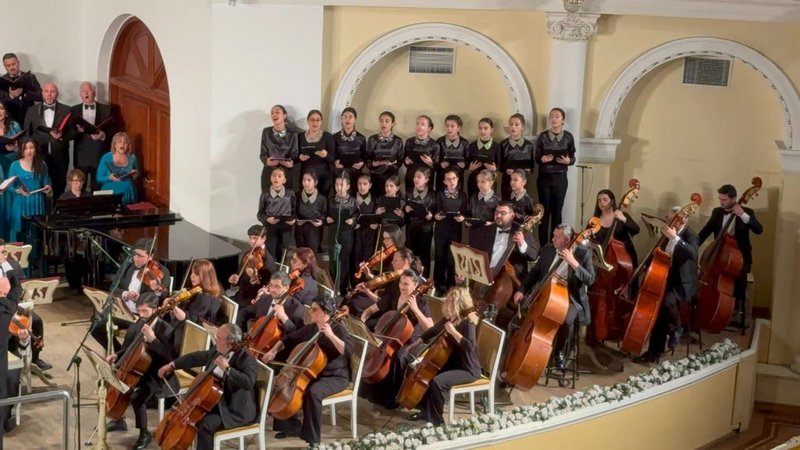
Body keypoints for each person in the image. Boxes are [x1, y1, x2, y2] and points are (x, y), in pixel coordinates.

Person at [261, 295, 352, 447]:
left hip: (335, 376)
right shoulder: (312, 328)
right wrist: (273, 350)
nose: (310, 312)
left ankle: (313, 440)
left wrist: (330, 335)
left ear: (325, 313)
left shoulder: (338, 329)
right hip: (314, 373)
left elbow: (348, 351)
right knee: (283, 385)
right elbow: (288, 339)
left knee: (313, 392)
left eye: (314, 310)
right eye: (311, 309)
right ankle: (290, 427)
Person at [157, 323, 258, 450]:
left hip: (232, 410)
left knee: (205, 425)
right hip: (214, 403)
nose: (215, 340)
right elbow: (196, 357)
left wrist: (228, 369)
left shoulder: (247, 359)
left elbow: (248, 382)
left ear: (231, 342)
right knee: (194, 419)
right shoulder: (218, 350)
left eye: (219, 338)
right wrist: (173, 365)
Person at [512, 223, 595, 369]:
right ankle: (528, 347)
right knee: (529, 309)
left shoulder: (583, 253)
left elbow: (590, 279)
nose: (553, 239)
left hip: (570, 295)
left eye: (557, 237)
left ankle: (559, 352)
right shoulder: (548, 249)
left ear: (567, 240)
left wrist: (573, 262)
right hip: (545, 290)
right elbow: (535, 272)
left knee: (567, 320)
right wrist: (522, 290)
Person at [104, 293, 177, 447]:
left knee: (137, 396)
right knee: (114, 381)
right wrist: (117, 355)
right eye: (139, 311)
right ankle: (118, 419)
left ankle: (144, 434)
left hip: (158, 373)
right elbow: (131, 347)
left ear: (155, 309)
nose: (141, 315)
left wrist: (153, 340)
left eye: (145, 311)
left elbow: (170, 357)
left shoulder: (166, 329)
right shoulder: (139, 323)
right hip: (138, 368)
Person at [406, 286, 480, 425]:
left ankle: (437, 420)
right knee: (425, 374)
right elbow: (433, 331)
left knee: (437, 382)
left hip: (467, 369)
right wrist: (414, 345)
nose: (447, 303)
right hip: (452, 363)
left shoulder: (468, 322)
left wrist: (453, 332)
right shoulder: (450, 318)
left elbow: (470, 346)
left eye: (450, 301)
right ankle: (425, 411)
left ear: (459, 303)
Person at [360, 269, 433, 409]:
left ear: (415, 285)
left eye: (406, 284)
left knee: (399, 356)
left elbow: (430, 327)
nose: (402, 287)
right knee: (372, 350)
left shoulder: (421, 301)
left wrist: (415, 309)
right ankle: (373, 393)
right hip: (392, 337)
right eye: (401, 282)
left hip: (413, 341)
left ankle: (395, 398)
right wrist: (363, 319)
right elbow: (371, 310)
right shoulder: (394, 296)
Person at [635, 206, 698, 363]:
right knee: (658, 310)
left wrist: (676, 239)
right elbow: (657, 253)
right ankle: (654, 351)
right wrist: (644, 267)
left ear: (680, 220)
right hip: (664, 277)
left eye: (670, 218)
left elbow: (693, 253)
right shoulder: (666, 232)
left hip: (681, 282)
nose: (667, 220)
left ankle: (676, 327)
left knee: (666, 302)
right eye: (667, 217)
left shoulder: (690, 234)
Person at [697, 184, 763, 327]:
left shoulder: (747, 212)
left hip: (740, 258)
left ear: (733, 199)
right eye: (720, 199)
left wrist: (742, 215)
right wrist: (692, 245)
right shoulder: (717, 212)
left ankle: (732, 311)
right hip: (719, 255)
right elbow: (705, 231)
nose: (721, 202)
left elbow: (759, 230)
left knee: (738, 283)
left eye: (724, 199)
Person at [93, 238, 171, 352]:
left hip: (142, 317)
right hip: (124, 312)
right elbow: (113, 287)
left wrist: (156, 291)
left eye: (140, 256)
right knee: (96, 327)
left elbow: (164, 299)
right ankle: (117, 353)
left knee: (131, 335)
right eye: (135, 254)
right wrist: (125, 293)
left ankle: (122, 357)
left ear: (150, 256)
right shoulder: (127, 266)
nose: (135, 258)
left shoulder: (162, 271)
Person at [0, 239, 50, 370]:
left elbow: (20, 288)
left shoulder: (13, 265)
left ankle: (35, 357)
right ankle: (11, 351)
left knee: (36, 321)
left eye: (3, 252)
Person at [237, 271, 305, 360]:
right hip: (254, 343)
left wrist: (284, 318)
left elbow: (297, 335)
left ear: (286, 288)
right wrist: (239, 334)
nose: (272, 290)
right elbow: (243, 313)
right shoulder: (265, 299)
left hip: (275, 354)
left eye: (277, 286)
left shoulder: (296, 307)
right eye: (271, 285)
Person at [349, 250, 425, 328]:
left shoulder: (412, 283)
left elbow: (383, 301)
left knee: (356, 304)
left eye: (395, 260)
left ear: (405, 262)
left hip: (393, 319)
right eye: (401, 283)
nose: (392, 263)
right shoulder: (397, 279)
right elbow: (384, 301)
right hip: (387, 313)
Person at [23, 82, 71, 198]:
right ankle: (42, 208)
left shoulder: (67, 110)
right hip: (39, 155)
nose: (49, 95)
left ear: (57, 94)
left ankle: (56, 208)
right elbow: (27, 134)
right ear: (42, 93)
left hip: (60, 156)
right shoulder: (32, 110)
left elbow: (73, 132)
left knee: (60, 186)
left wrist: (62, 136)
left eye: (52, 92)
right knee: (40, 187)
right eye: (46, 91)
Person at [535, 108, 576, 246]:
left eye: (557, 116)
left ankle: (555, 245)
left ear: (562, 120)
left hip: (560, 179)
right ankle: (542, 245)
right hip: (544, 179)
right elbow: (536, 157)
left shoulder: (568, 137)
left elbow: (573, 157)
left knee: (557, 212)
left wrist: (568, 161)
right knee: (543, 213)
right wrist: (542, 159)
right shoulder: (542, 136)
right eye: (551, 116)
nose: (553, 119)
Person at [469, 202, 539, 280]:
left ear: (512, 216)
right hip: (486, 275)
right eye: (496, 212)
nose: (498, 215)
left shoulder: (522, 231)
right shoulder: (485, 230)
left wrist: (522, 243)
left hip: (511, 279)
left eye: (503, 213)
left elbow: (533, 256)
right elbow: (474, 254)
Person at [166, 259, 222, 351]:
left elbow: (189, 319)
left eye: (196, 274)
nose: (192, 276)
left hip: (192, 335)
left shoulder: (204, 298)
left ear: (205, 277)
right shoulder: (212, 289)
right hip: (189, 329)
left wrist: (174, 308)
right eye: (192, 273)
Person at [70, 82, 115, 190]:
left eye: (89, 90)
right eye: (83, 91)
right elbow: (70, 132)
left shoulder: (106, 109)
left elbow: (113, 131)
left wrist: (103, 135)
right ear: (80, 94)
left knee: (98, 187)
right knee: (79, 188)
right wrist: (78, 131)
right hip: (81, 156)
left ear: (94, 93)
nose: (86, 93)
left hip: (99, 155)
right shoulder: (74, 110)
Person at [6, 139, 51, 242]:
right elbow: (9, 187)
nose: (29, 151)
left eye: (31, 148)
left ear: (35, 149)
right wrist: (19, 191)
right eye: (26, 148)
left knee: (37, 237)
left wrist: (47, 189)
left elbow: (46, 183)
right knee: (21, 236)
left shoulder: (42, 164)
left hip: (37, 204)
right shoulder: (15, 165)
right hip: (21, 204)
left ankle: (36, 252)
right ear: (22, 150)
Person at [433, 167, 466, 293]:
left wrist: (462, 217)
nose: (451, 181)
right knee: (440, 257)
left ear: (457, 179)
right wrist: (436, 216)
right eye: (448, 179)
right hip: (441, 229)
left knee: (452, 258)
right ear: (444, 181)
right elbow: (436, 211)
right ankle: (438, 284)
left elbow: (464, 212)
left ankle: (451, 284)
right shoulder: (440, 194)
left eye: (453, 178)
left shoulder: (463, 195)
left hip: (455, 229)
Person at [227, 224, 278, 309]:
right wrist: (236, 277)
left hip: (252, 301)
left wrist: (252, 279)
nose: (251, 241)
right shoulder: (248, 254)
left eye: (255, 238)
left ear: (264, 238)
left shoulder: (268, 261)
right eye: (250, 238)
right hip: (240, 296)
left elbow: (265, 286)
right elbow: (240, 274)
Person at [257, 166, 296, 262]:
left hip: (286, 227)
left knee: (283, 253)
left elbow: (295, 211)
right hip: (270, 227)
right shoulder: (265, 194)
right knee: (270, 253)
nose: (276, 178)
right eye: (273, 175)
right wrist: (267, 219)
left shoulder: (290, 194)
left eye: (279, 176)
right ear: (270, 178)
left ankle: (282, 270)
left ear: (284, 180)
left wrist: (293, 219)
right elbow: (260, 214)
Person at [326, 175, 356, 295]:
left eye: (342, 185)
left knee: (345, 260)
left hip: (346, 233)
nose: (339, 187)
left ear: (347, 186)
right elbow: (324, 214)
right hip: (333, 232)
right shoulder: (330, 201)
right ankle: (332, 287)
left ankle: (343, 288)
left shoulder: (353, 201)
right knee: (333, 260)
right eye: (337, 185)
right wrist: (326, 219)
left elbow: (357, 215)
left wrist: (353, 220)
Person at [260, 104, 299, 192]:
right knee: (267, 198)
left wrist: (291, 163)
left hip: (286, 173)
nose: (274, 115)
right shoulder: (266, 132)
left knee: (287, 199)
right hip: (269, 173)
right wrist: (267, 161)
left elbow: (295, 154)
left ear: (284, 115)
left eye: (277, 112)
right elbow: (263, 153)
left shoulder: (293, 134)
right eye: (272, 113)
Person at [404, 167, 435, 278]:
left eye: (419, 177)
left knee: (424, 256)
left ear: (426, 179)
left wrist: (431, 216)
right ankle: (409, 278)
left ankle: (424, 280)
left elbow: (436, 212)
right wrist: (406, 210)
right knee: (410, 255)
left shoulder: (432, 194)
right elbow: (404, 212)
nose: (415, 179)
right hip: (411, 228)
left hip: (425, 230)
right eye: (414, 177)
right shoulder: (409, 192)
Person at [366, 111, 404, 198]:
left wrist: (391, 164)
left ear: (392, 124)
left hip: (391, 178)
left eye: (387, 121)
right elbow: (367, 159)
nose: (383, 123)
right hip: (375, 177)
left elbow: (400, 161)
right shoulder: (372, 139)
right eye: (381, 121)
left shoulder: (398, 141)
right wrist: (373, 164)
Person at [297, 110, 335, 198]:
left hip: (323, 177)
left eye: (318, 120)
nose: (315, 122)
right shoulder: (300, 137)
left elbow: (332, 159)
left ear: (321, 122)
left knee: (322, 201)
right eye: (312, 120)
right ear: (308, 121)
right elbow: (295, 156)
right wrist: (300, 157)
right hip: (305, 177)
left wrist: (326, 155)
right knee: (305, 200)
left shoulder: (328, 136)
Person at [96, 131, 138, 205]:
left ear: (128, 145)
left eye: (125, 143)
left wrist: (135, 175)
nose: (122, 145)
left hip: (128, 193)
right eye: (119, 142)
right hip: (110, 194)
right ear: (114, 144)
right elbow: (98, 178)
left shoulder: (132, 157)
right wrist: (109, 178)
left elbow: (136, 175)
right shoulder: (107, 157)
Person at [500, 114, 535, 200]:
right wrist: (506, 170)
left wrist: (525, 172)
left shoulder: (529, 146)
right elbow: (500, 165)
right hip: (507, 182)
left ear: (522, 127)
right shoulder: (503, 144)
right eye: (511, 124)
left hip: (523, 184)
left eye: (516, 124)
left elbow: (532, 167)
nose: (513, 127)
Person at [0, 53, 42, 125]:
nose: (12, 67)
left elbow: (41, 96)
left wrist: (25, 94)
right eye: (8, 65)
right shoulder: (1, 81)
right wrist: (11, 96)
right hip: (10, 121)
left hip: (29, 117)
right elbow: (0, 103)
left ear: (18, 63)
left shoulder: (31, 77)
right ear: (4, 66)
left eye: (13, 64)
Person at [0, 103, 23, 237]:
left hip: (12, 164)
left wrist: (15, 149)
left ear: (6, 112)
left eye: (1, 108)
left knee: (12, 197)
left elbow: (22, 146)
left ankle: (13, 237)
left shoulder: (14, 126)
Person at [333, 107, 367, 195]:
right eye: (345, 117)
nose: (347, 119)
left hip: (355, 172)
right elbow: (332, 155)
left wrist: (362, 163)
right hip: (340, 172)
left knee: (354, 196)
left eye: (350, 117)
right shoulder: (335, 137)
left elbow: (365, 157)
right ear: (341, 119)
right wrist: (335, 162)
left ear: (355, 120)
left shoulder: (361, 138)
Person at [403, 115, 439, 194]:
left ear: (429, 128)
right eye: (417, 124)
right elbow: (404, 159)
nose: (419, 126)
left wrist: (430, 163)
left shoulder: (434, 145)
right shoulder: (409, 142)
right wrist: (406, 161)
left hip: (426, 179)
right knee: (410, 198)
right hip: (411, 177)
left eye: (422, 124)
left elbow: (437, 166)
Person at [466, 118, 501, 197]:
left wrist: (495, 169)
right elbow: (467, 162)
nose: (482, 131)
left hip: (489, 180)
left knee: (488, 201)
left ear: (491, 129)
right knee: (474, 200)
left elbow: (500, 164)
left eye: (485, 128)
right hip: (474, 179)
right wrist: (470, 168)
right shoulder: (472, 145)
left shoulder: (496, 146)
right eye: (480, 128)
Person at [294, 171, 326, 254]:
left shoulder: (321, 198)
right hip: (300, 229)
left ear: (315, 182)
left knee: (311, 255)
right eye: (304, 180)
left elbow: (324, 214)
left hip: (314, 231)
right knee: (300, 254)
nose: (306, 182)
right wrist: (296, 219)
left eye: (309, 180)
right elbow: (293, 211)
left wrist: (321, 221)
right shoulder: (297, 196)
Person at [466, 169, 501, 247]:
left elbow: (500, 220)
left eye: (483, 182)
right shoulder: (474, 197)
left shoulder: (496, 200)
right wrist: (467, 222)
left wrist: (492, 224)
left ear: (491, 183)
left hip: (488, 234)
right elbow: (469, 213)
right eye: (478, 181)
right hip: (474, 233)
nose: (480, 184)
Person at [435, 114, 468, 193]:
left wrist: (465, 165)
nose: (449, 128)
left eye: (452, 126)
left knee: (457, 196)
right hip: (442, 177)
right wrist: (440, 164)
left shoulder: (464, 143)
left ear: (458, 127)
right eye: (447, 126)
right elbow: (435, 161)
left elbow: (469, 161)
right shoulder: (439, 141)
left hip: (457, 178)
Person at [353, 174, 378, 273]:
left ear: (370, 185)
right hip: (356, 233)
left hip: (370, 233)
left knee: (368, 259)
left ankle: (367, 279)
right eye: (359, 184)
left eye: (365, 184)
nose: (362, 187)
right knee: (356, 258)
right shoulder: (352, 199)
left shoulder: (375, 200)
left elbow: (378, 217)